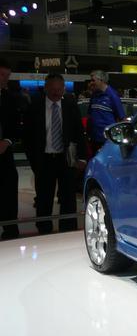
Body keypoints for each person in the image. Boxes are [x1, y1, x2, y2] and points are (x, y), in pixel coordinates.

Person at [24, 73, 87, 234]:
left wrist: (82, 157)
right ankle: (44, 231)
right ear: (45, 88)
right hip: (44, 159)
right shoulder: (35, 106)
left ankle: (68, 231)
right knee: (44, 198)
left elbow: (79, 133)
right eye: (52, 89)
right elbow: (28, 137)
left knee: (68, 198)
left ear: (64, 89)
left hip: (66, 159)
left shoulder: (70, 105)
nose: (56, 92)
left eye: (59, 89)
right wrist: (34, 161)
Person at [0, 58, 20, 240]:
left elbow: (14, 126)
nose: (5, 79)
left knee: (8, 190)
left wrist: (6, 141)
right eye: (2, 75)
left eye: (7, 76)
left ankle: (10, 229)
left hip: (4, 154)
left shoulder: (9, 98)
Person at [86, 70, 124, 154]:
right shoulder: (94, 95)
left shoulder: (113, 95)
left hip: (107, 141)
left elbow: (121, 118)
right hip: (94, 139)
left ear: (101, 80)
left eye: (93, 80)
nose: (91, 83)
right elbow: (90, 116)